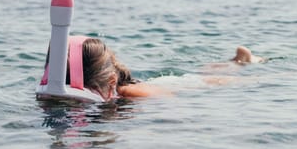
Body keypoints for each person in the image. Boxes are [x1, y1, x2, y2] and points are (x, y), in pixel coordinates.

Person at [74, 38, 264, 101]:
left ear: (112, 83)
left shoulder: (132, 92)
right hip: (163, 83)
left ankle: (241, 61)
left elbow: (172, 101)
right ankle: (238, 61)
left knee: (219, 79)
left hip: (188, 85)